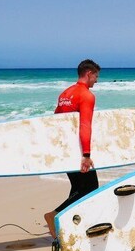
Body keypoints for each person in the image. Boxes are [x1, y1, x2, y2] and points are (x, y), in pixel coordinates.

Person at [43, 59, 101, 239]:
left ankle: (69, 224)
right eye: (96, 77)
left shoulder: (65, 94)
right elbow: (85, 124)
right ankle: (55, 215)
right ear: (89, 74)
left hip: (64, 148)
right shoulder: (86, 96)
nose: (96, 81)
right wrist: (86, 155)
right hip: (77, 150)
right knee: (91, 188)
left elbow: (56, 119)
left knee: (77, 187)